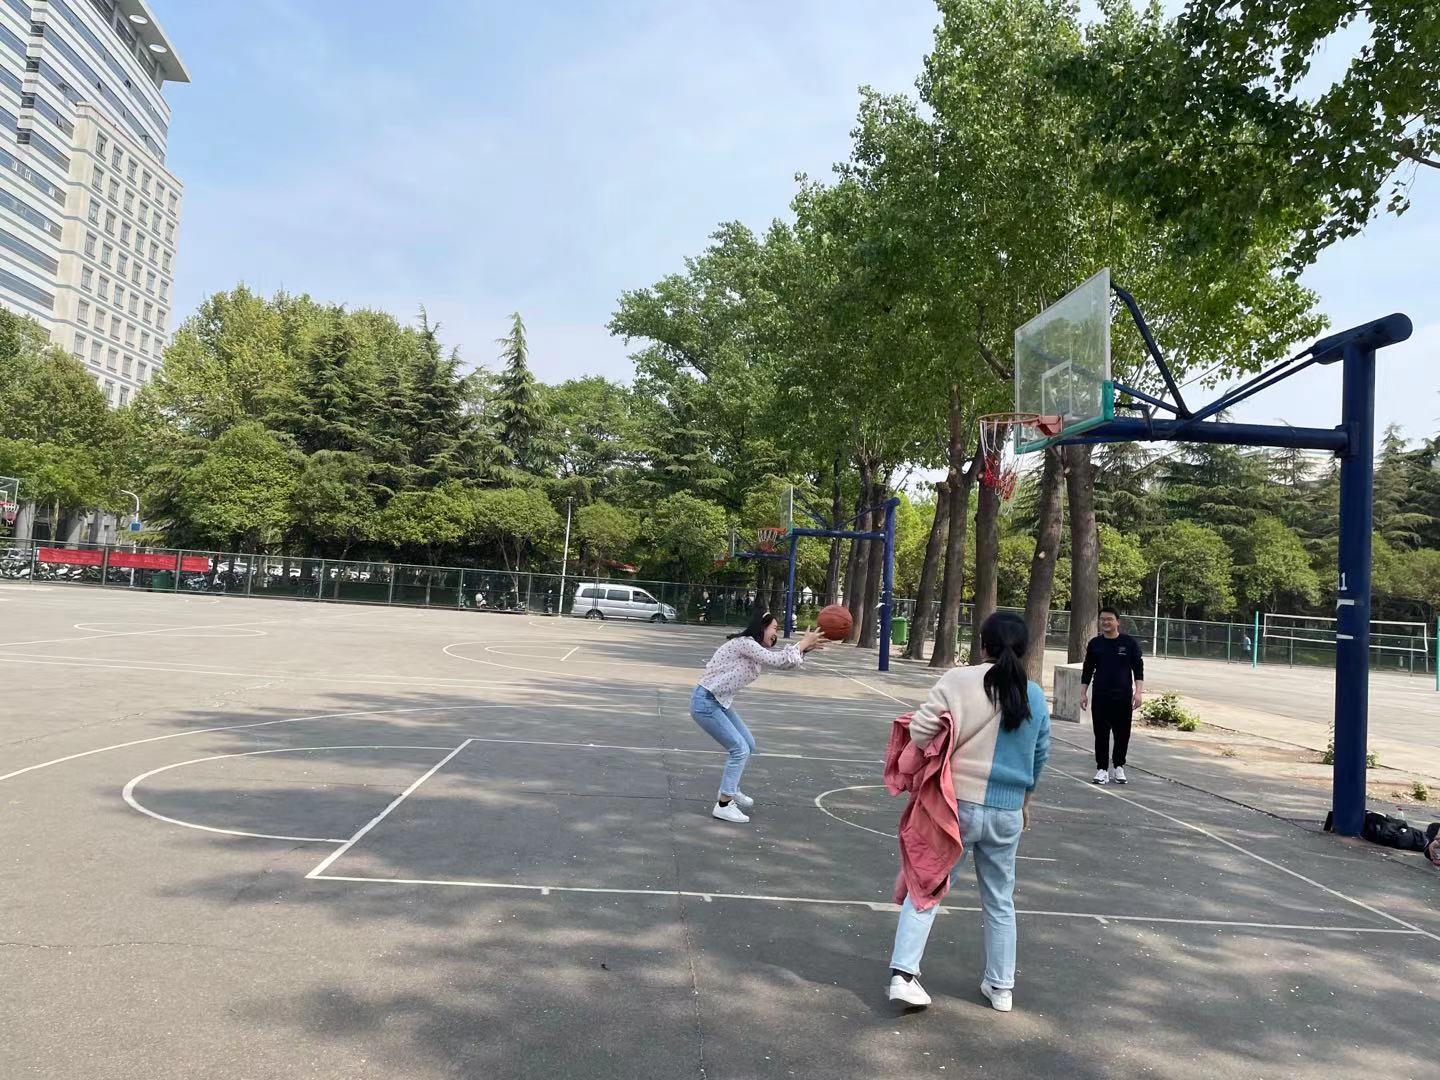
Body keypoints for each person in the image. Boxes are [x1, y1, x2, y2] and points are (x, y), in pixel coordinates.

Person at [886, 611, 1051, 1012]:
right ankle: (1001, 987)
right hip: (1007, 811)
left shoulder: (957, 680)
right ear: (1024, 649)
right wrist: (1025, 801)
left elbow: (921, 731)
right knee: (1000, 899)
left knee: (927, 886)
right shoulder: (1033, 694)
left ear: (982, 643)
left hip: (954, 806)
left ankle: (904, 975)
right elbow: (1040, 753)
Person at [691, 609, 826, 823]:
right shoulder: (745, 643)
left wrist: (804, 649)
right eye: (774, 628)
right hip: (706, 702)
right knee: (739, 749)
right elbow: (776, 659)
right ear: (761, 627)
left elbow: (784, 663)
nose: (775, 634)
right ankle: (724, 804)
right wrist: (801, 644)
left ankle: (730, 789)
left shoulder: (753, 649)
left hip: (719, 701)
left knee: (748, 745)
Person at [1080, 607, 1145, 785]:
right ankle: (1102, 769)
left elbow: (1138, 669)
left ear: (1118, 622)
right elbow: (1087, 670)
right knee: (1101, 733)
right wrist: (1083, 693)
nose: (1105, 622)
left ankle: (1119, 766)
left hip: (1123, 696)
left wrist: (1138, 692)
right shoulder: (1095, 644)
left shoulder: (1129, 643)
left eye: (1109, 619)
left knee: (1122, 734)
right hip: (1100, 695)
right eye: (1102, 619)